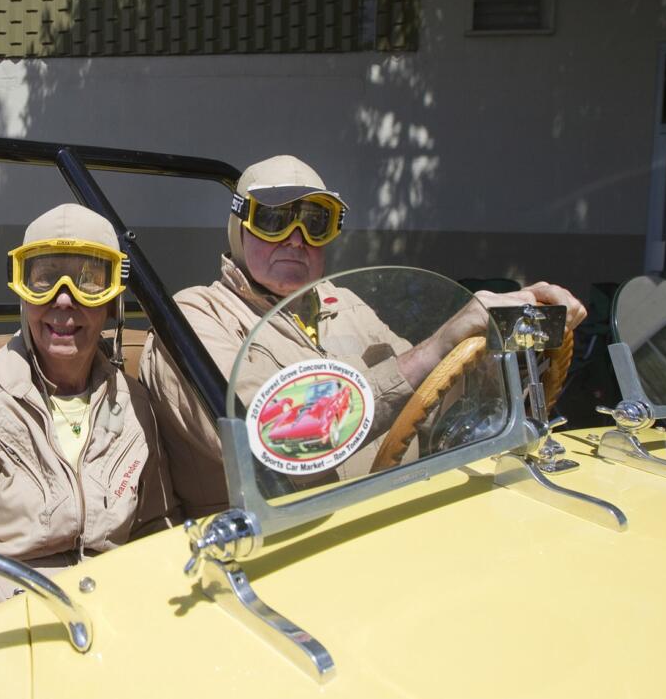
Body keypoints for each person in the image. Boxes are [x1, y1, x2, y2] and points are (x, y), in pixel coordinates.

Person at [139, 155, 586, 517]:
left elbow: (436, 397)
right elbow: (276, 439)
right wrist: (440, 343)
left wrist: (521, 340)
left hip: (386, 515)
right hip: (273, 542)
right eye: (275, 221)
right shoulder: (194, 317)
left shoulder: (344, 304)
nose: (296, 240)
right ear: (240, 226)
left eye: (315, 223)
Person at [0, 204, 178, 636]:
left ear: (113, 299)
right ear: (23, 291)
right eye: (43, 278)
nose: (64, 299)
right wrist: (20, 640)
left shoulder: (136, 404)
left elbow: (159, 532)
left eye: (89, 280)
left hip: (118, 630)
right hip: (12, 635)